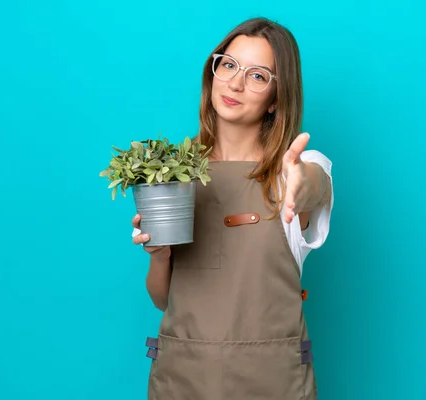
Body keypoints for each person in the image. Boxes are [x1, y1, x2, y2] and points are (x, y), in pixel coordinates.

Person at [131, 16, 334, 400]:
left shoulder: (294, 170)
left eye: (258, 76)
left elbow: (314, 185)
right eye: (228, 65)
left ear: (277, 98)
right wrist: (158, 255)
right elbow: (164, 299)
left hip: (272, 384)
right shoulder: (172, 175)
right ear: (214, 72)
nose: (236, 83)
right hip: (183, 379)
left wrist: (305, 183)